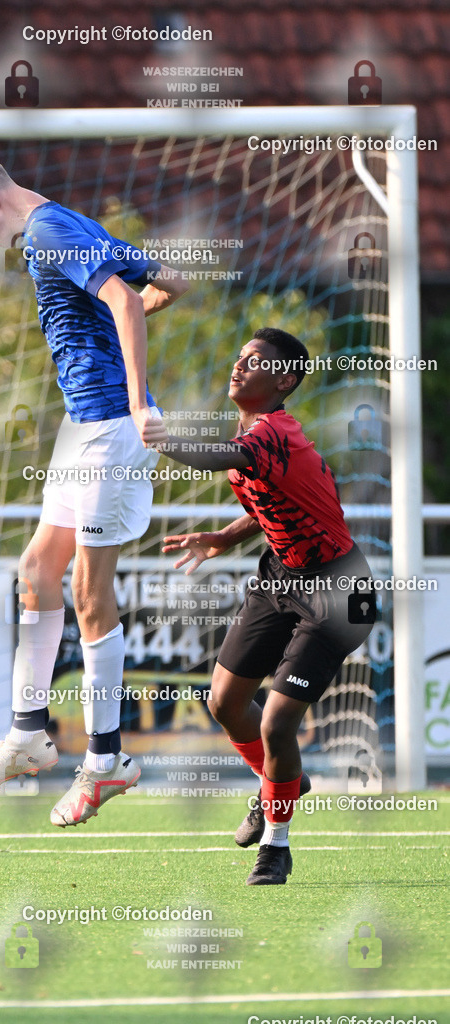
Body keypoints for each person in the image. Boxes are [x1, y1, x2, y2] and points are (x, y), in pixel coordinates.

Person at [0, 152, 188, 826]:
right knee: (36, 571)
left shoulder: (48, 232)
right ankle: (26, 737)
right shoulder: (66, 224)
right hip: (85, 426)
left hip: (110, 425)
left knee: (85, 590)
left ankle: (105, 761)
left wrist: (136, 402)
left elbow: (127, 298)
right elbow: (170, 281)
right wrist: (111, 338)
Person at [141, 327, 374, 884]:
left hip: (339, 593)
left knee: (276, 723)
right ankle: (285, 782)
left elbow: (219, 456)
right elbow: (277, 500)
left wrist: (161, 437)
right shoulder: (255, 432)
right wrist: (223, 537)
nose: (239, 366)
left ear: (285, 380)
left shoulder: (275, 432)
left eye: (256, 361)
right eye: (240, 356)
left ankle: (276, 844)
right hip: (280, 577)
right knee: (224, 703)